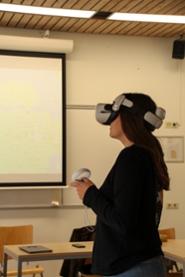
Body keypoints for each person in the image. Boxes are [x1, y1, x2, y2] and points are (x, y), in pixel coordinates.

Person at [71, 93, 170, 277]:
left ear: (127, 117)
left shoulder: (131, 158)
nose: (110, 119)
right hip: (142, 263)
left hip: (132, 267)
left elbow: (123, 222)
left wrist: (90, 195)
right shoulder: (147, 155)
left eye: (116, 112)